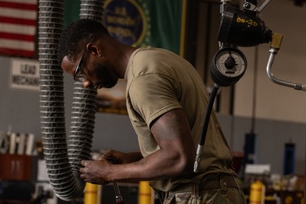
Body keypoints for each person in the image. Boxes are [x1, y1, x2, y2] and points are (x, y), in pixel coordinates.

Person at [57, 19, 246, 204]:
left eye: (80, 73)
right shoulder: (158, 58)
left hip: (199, 194)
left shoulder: (143, 80)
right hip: (213, 191)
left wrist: (110, 173)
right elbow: (189, 144)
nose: (85, 83)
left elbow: (179, 158)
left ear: (94, 50)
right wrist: (131, 160)